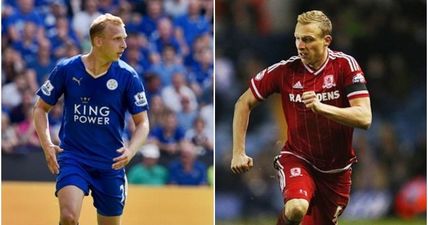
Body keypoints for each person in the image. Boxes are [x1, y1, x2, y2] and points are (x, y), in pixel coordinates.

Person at [230, 10, 372, 225]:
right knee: (296, 207)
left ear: (327, 41)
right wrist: (238, 152)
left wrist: (321, 108)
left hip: (337, 170)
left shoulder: (345, 66)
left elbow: (364, 117)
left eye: (307, 39)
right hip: (298, 158)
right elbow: (243, 102)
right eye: (297, 38)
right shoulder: (286, 70)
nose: (300, 45)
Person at [33, 13, 150, 225]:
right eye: (117, 39)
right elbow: (40, 108)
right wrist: (47, 144)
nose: (124, 44)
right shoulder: (67, 69)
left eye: (124, 38)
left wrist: (131, 150)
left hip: (110, 163)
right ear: (98, 41)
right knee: (68, 218)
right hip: (74, 158)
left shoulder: (128, 76)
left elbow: (143, 123)